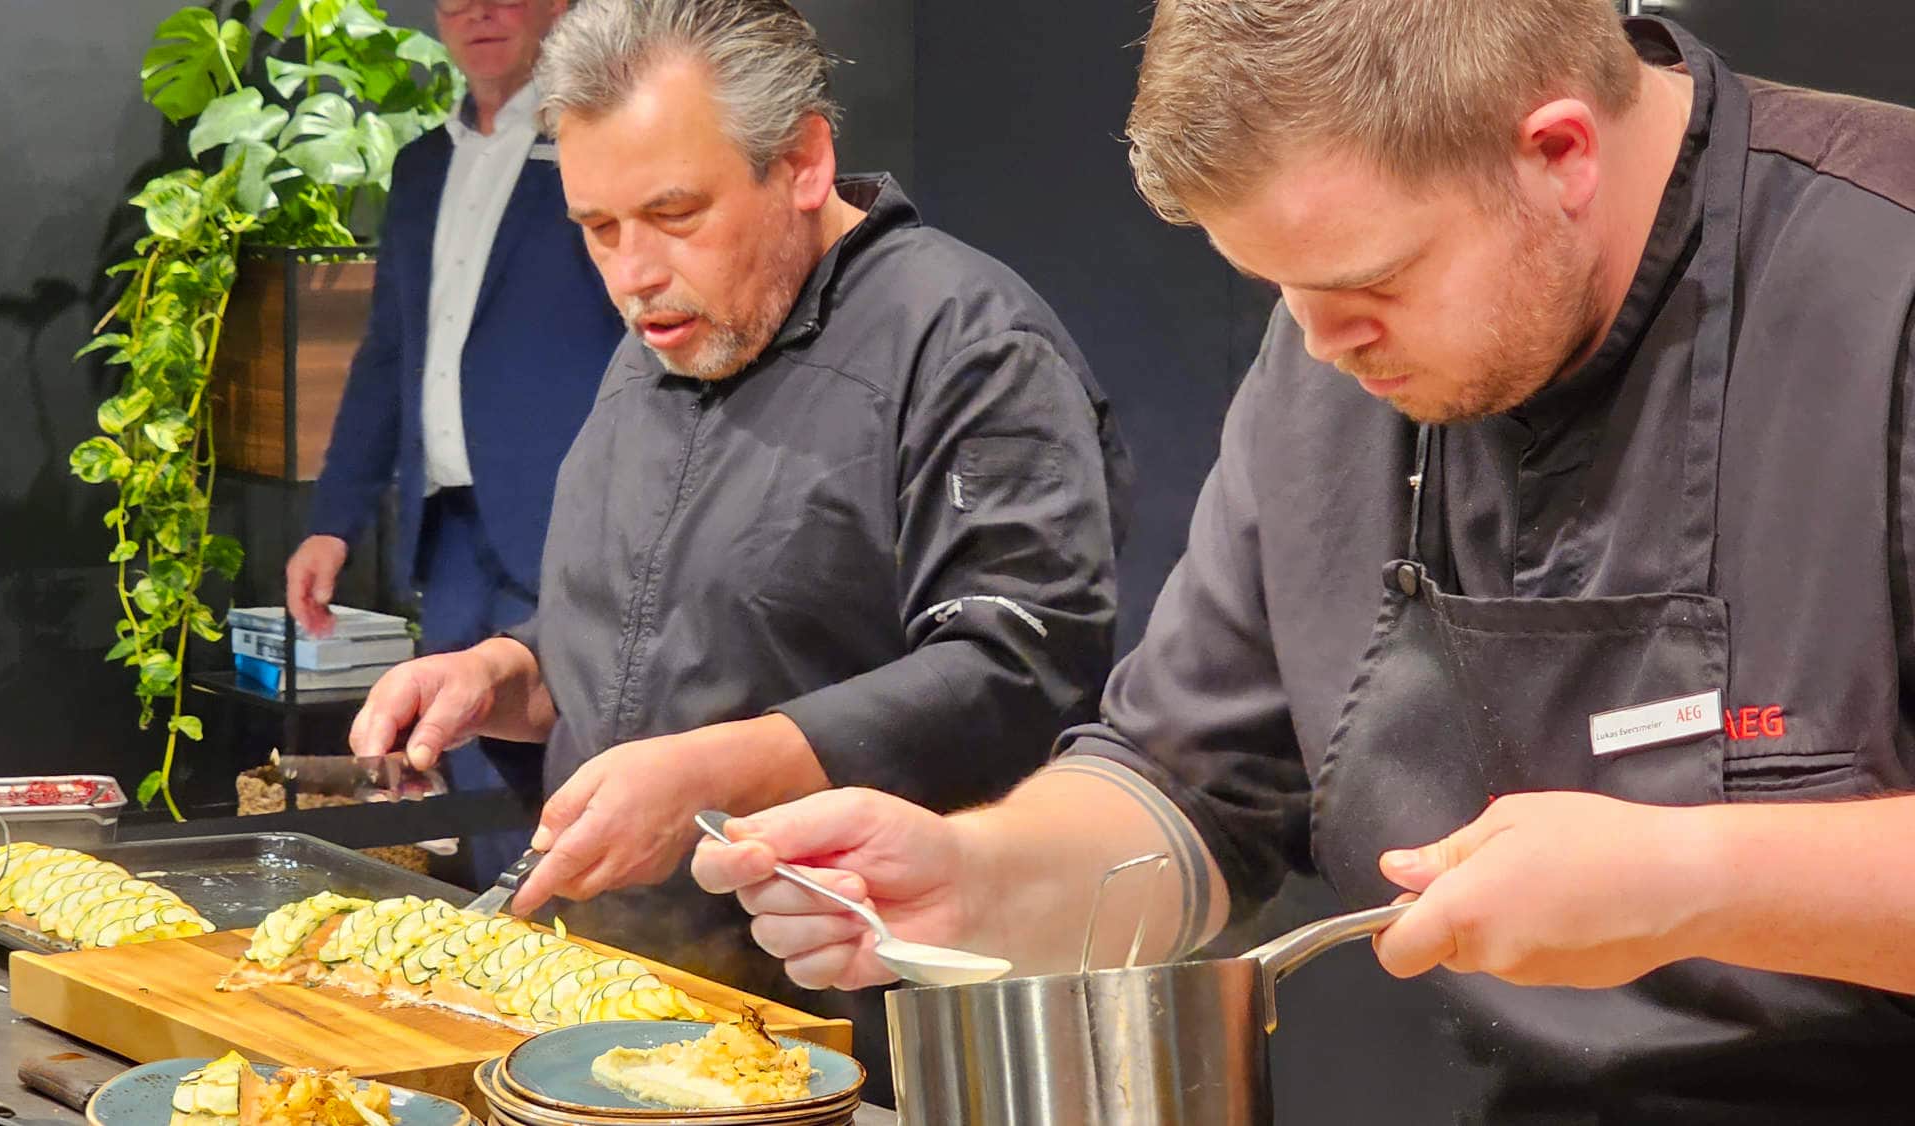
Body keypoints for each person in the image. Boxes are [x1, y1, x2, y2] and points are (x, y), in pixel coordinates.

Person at [693, 4, 1915, 1121]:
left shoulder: (1883, 286)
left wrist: (1690, 876)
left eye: (1368, 282)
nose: (1321, 346)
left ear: (1556, 153)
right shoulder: (1329, 346)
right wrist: (980, 877)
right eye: (1278, 289)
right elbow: (1185, 787)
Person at [346, 0, 1132, 1093]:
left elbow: (1019, 666)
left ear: (803, 160)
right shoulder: (672, 331)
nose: (632, 272)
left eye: (673, 213)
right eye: (598, 227)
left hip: (854, 1024)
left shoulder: (969, 345)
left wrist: (714, 775)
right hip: (635, 1008)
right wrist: (505, 673)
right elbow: (658, 628)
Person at [288, 0, 624, 884]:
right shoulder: (422, 164)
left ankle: (576, 957)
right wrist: (334, 520)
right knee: (461, 766)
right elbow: (389, 349)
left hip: (570, 517)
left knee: (577, 773)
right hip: (450, 531)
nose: (478, 11)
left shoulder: (595, 146)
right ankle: (493, 945)